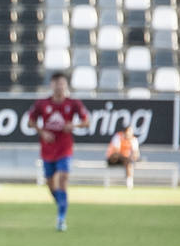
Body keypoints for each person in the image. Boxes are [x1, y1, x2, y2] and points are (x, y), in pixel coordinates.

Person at [25, 72, 91, 231]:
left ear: (66, 85)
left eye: (62, 83)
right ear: (51, 85)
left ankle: (61, 219)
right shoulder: (42, 103)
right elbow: (30, 122)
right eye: (56, 83)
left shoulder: (73, 103)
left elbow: (87, 121)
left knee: (63, 179)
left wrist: (73, 126)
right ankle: (61, 203)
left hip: (65, 148)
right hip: (47, 149)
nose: (59, 86)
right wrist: (42, 132)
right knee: (50, 184)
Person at [105, 125, 140, 189]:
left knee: (129, 164)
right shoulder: (118, 136)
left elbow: (136, 153)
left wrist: (134, 156)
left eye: (131, 132)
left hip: (126, 160)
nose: (130, 134)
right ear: (125, 132)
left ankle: (129, 184)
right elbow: (116, 152)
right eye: (129, 132)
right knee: (122, 158)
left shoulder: (133, 139)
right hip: (113, 159)